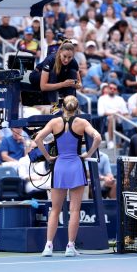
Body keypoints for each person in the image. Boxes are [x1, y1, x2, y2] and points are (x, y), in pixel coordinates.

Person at [35, 95, 101, 257]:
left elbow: (38, 139)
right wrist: (88, 154)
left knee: (55, 209)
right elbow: (98, 137)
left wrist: (48, 157)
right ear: (77, 107)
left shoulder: (54, 122)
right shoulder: (82, 123)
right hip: (76, 166)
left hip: (60, 167)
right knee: (75, 210)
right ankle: (70, 246)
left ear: (62, 107)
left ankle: (48, 246)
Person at [40, 40, 82, 105]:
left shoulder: (73, 62)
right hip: (39, 76)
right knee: (53, 73)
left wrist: (73, 84)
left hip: (60, 78)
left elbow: (79, 84)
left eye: (69, 57)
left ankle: (70, 105)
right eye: (64, 56)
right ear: (60, 52)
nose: (66, 60)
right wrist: (63, 84)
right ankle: (53, 105)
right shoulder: (50, 60)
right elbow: (43, 87)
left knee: (72, 72)